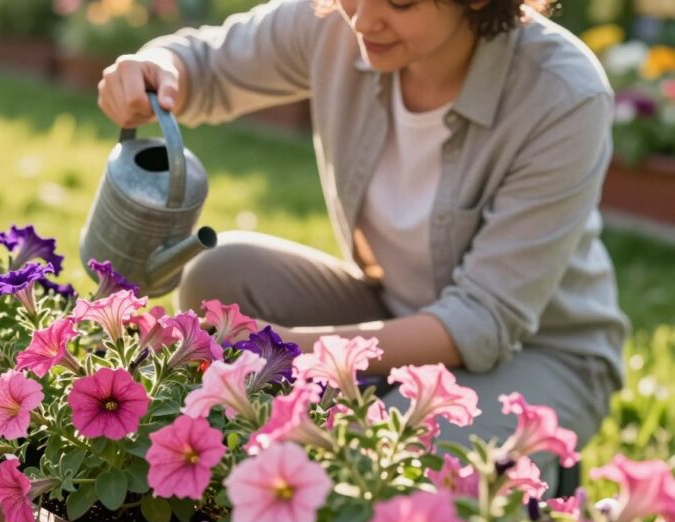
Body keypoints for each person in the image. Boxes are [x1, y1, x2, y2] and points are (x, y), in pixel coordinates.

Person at [95, 0, 628, 459]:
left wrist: (282, 350)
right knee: (221, 273)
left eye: (401, 2)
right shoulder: (333, 19)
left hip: (542, 353)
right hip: (395, 309)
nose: (364, 21)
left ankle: (533, 475)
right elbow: (204, 66)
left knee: (389, 451)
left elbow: (483, 321)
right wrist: (155, 69)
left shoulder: (562, 93)